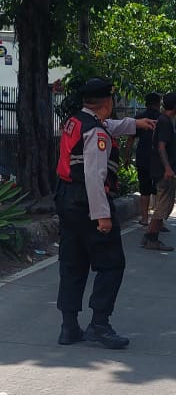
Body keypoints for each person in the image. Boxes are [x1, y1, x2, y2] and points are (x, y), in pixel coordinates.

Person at [55, 77, 156, 349]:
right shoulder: (97, 134)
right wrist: (102, 215)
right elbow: (94, 176)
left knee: (72, 263)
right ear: (108, 103)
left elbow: (107, 125)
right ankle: (99, 323)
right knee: (112, 264)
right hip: (88, 202)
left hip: (66, 200)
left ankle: (69, 327)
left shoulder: (75, 121)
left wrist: (136, 124)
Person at [142, 91, 176, 252]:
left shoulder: (164, 120)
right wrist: (167, 168)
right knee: (162, 206)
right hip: (164, 171)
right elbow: (161, 147)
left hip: (162, 169)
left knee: (163, 205)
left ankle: (149, 236)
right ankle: (152, 238)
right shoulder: (165, 122)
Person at [123, 91, 162, 227]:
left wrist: (126, 157)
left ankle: (145, 218)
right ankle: (158, 221)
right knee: (158, 189)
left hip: (143, 157)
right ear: (158, 103)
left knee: (144, 189)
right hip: (158, 159)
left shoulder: (139, 118)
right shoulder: (162, 118)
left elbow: (130, 139)